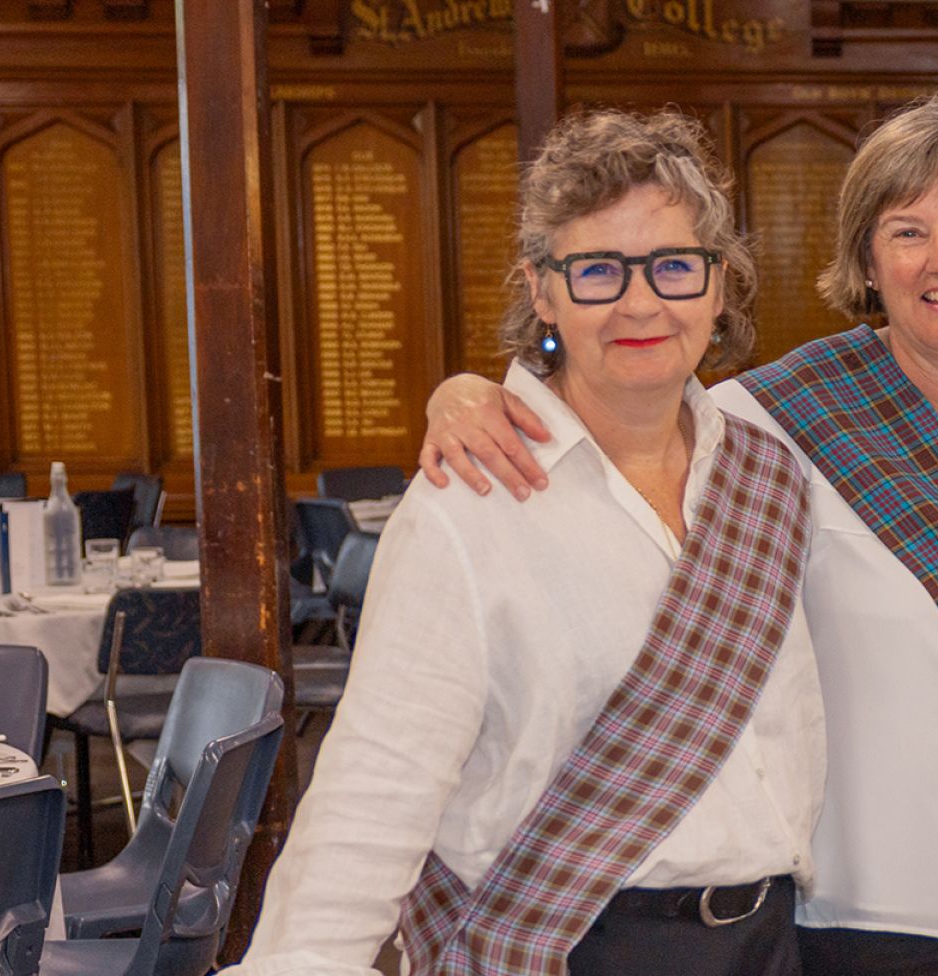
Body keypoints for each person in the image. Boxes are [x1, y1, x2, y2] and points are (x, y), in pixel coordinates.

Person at [416, 91, 938, 976]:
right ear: (867, 258)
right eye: (906, 231)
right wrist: (471, 396)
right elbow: (604, 426)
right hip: (858, 930)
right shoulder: (770, 422)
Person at [228, 109, 819, 975]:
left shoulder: (772, 473)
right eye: (598, 272)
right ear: (542, 290)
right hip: (567, 948)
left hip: (774, 944)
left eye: (674, 266)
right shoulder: (470, 504)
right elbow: (376, 786)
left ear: (720, 284)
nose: (642, 302)